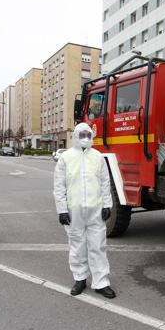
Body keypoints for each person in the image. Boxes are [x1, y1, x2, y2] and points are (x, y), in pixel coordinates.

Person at [53, 123, 116, 299]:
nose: (85, 138)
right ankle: (80, 278)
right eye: (82, 135)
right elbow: (59, 186)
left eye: (88, 134)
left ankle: (101, 282)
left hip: (96, 209)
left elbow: (105, 183)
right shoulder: (66, 158)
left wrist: (107, 205)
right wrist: (62, 210)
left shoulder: (98, 157)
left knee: (98, 246)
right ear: (75, 136)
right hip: (74, 211)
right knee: (77, 245)